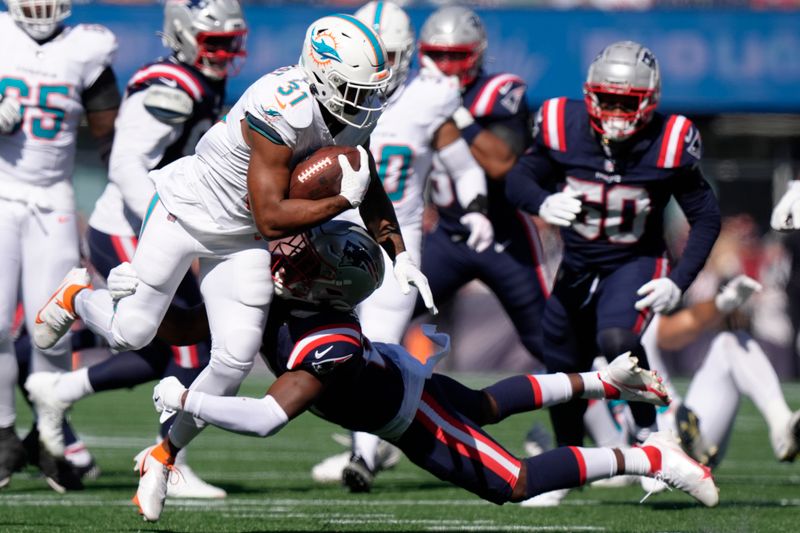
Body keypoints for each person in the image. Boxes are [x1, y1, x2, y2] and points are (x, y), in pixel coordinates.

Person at [32, 12, 435, 520]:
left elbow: (366, 182)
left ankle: (163, 456)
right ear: (322, 75)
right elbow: (271, 218)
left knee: (233, 358)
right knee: (132, 332)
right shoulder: (278, 106)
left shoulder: (350, 114)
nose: (366, 102)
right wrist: (338, 204)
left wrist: (399, 253)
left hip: (238, 235)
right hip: (187, 212)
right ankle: (76, 298)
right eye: (354, 89)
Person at [109, 219, 717, 522]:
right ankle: (602, 382)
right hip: (398, 380)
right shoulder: (288, 293)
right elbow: (187, 326)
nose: (287, 256)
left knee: (514, 483)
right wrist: (133, 299)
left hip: (407, 414)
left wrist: (188, 398)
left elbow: (267, 417)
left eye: (304, 256)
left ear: (325, 286)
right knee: (482, 406)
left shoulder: (331, 343)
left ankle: (652, 458)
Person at [23, 0, 247, 499]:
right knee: (191, 344)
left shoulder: (199, 82)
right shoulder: (169, 85)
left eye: (231, 45)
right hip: (134, 224)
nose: (225, 55)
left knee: (162, 344)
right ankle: (170, 463)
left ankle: (59, 391)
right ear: (184, 36)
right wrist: (171, 221)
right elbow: (125, 164)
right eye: (215, 44)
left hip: (151, 224)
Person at [505, 41, 721, 460]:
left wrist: (678, 282)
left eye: (627, 102)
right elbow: (519, 179)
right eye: (607, 100)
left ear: (649, 100)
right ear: (589, 94)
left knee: (617, 337)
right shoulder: (560, 123)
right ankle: (568, 460)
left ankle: (649, 437)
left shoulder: (669, 140)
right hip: (580, 260)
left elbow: (706, 218)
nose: (617, 112)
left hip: (636, 258)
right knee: (562, 358)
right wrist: (541, 202)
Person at [312, 0, 493, 492]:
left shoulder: (430, 99)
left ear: (407, 55)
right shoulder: (321, 93)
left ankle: (363, 454)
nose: (378, 68)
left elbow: (467, 168)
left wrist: (475, 207)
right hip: (326, 238)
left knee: (380, 346)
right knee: (332, 351)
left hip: (394, 245)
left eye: (387, 55)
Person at [0, 0, 120, 490]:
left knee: (52, 326)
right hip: (1, 192)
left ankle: (49, 437)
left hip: (54, 200)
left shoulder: (87, 47)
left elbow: (110, 135)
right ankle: (3, 433)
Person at [412, 5, 549, 370]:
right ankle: (369, 423)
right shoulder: (411, 94)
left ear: (476, 54)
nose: (444, 65)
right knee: (385, 317)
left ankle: (610, 422)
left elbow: (500, 162)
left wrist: (456, 112)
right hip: (446, 235)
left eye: (455, 55)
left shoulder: (499, 91)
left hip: (503, 235)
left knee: (548, 342)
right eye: (436, 55)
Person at [641, 275, 800, 471]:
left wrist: (720, 303)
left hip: (683, 426)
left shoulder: (628, 306)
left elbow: (682, 326)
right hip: (632, 443)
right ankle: (640, 460)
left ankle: (781, 425)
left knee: (728, 343)